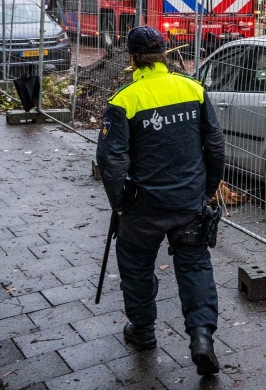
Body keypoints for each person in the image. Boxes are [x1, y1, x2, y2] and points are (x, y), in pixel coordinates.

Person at [95, 26, 226, 376]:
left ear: (133, 58)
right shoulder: (192, 89)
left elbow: (112, 161)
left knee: (136, 267)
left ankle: (143, 331)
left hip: (144, 207)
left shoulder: (125, 99)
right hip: (188, 202)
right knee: (195, 266)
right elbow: (214, 144)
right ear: (165, 54)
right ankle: (201, 336)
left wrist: (120, 202)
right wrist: (207, 188)